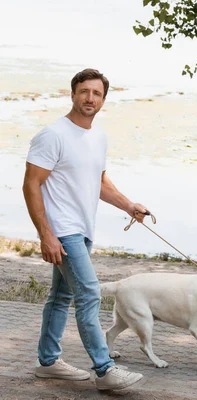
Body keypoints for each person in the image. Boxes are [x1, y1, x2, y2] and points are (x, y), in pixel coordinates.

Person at [23, 68, 145, 390]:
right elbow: (31, 185)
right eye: (84, 91)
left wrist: (128, 205)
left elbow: (99, 182)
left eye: (97, 93)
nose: (90, 98)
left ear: (103, 99)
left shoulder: (98, 137)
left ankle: (48, 361)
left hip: (84, 228)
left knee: (61, 296)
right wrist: (45, 234)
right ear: (73, 93)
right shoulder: (53, 134)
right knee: (89, 294)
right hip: (63, 230)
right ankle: (104, 370)